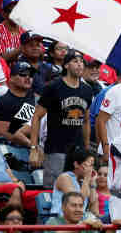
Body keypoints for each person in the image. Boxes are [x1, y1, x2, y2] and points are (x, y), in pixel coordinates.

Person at [29, 51, 97, 188]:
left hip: (77, 151)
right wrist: (33, 147)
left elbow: (86, 121)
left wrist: (86, 147)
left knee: (76, 191)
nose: (79, 65)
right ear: (66, 65)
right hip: (56, 148)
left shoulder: (87, 90)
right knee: (54, 190)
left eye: (81, 62)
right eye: (75, 61)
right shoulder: (54, 87)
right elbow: (36, 116)